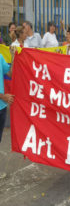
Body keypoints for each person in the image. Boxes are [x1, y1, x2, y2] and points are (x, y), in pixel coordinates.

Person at [0, 48, 15, 179]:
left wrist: (13, 57)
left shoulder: (0, 57)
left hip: (2, 107)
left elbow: (10, 73)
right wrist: (3, 96)